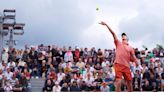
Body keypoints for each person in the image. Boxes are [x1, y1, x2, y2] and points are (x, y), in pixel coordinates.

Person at [100, 21, 139, 92]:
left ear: (127, 39)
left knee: (129, 84)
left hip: (126, 66)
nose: (123, 38)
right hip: (118, 65)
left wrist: (138, 65)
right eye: (122, 38)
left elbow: (133, 58)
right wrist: (106, 24)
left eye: (124, 37)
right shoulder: (118, 43)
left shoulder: (131, 48)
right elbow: (113, 33)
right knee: (118, 82)